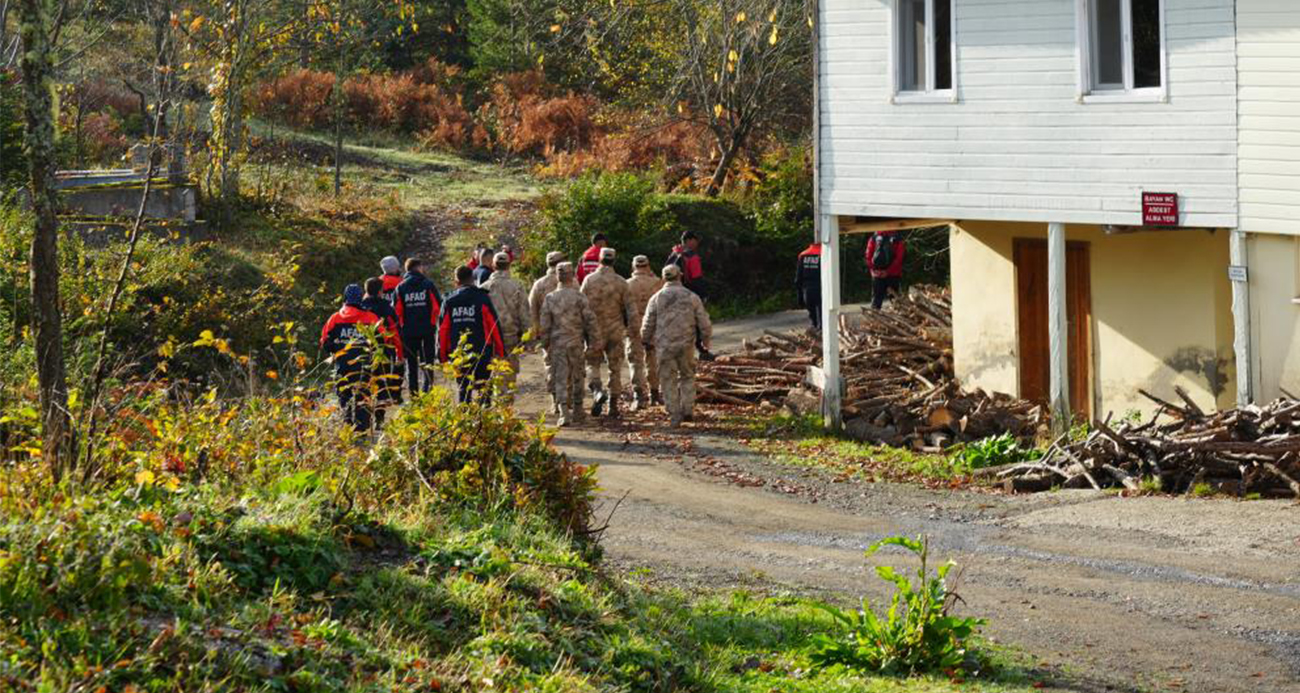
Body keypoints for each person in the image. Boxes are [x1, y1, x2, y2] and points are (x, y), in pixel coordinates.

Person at [641, 265, 712, 427]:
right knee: (687, 376)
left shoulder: (656, 298)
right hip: (686, 344)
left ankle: (674, 413)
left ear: (664, 278)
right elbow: (704, 321)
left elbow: (648, 323)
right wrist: (705, 340)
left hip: (664, 346)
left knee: (668, 378)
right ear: (680, 276)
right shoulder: (691, 296)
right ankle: (688, 409)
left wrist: (645, 340)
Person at [539, 263, 600, 427]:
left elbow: (545, 325)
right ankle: (578, 410)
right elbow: (590, 321)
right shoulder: (579, 297)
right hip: (575, 342)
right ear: (572, 275)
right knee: (577, 375)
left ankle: (564, 412)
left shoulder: (550, 298)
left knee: (560, 376)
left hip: (558, 343)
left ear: (558, 277)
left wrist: (545, 344)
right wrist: (594, 342)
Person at [319, 284, 384, 431]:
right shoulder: (371, 317)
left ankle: (347, 429)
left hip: (342, 366)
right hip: (364, 366)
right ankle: (362, 431)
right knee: (363, 396)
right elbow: (381, 340)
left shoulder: (335, 318)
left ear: (345, 297)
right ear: (361, 297)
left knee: (344, 397)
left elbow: (324, 342)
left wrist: (335, 352)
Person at [438, 265, 505, 404]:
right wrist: (500, 351)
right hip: (482, 350)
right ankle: (484, 420)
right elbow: (494, 326)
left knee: (463, 387)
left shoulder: (449, 300)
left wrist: (442, 354)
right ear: (473, 279)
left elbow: (443, 329)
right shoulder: (482, 298)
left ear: (456, 281)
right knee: (484, 387)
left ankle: (465, 418)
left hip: (459, 351)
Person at [580, 247, 635, 418]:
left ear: (599, 259)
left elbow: (581, 306)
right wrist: (632, 330)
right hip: (615, 330)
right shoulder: (621, 282)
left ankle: (597, 390)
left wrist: (582, 329)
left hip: (594, 331)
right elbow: (630, 310)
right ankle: (613, 406)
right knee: (615, 369)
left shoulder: (589, 280)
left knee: (592, 364)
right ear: (614, 260)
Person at [481, 252, 530, 395]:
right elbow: (524, 314)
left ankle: (498, 407)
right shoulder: (517, 286)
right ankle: (506, 408)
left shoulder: (484, 287)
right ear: (509, 265)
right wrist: (528, 339)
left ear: (493, 265)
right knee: (510, 374)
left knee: (495, 373)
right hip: (511, 337)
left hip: (490, 338)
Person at [361, 277, 405, 425]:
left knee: (364, 383)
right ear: (380, 291)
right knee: (381, 383)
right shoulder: (386, 308)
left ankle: (364, 417)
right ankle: (379, 419)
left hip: (362, 351)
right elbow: (395, 332)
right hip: (383, 352)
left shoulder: (359, 307)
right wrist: (400, 353)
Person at [394, 257, 442, 394]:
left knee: (411, 364)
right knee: (428, 362)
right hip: (427, 330)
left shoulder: (400, 287)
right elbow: (437, 306)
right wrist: (432, 324)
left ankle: (413, 394)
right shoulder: (428, 284)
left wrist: (402, 327)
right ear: (419, 267)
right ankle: (428, 391)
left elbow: (396, 312)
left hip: (408, 331)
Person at [625, 255, 663, 410]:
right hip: (653, 325)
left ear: (634, 267)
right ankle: (655, 393)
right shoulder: (657, 283)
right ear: (648, 266)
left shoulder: (627, 284)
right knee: (652, 359)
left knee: (635, 361)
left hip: (633, 326)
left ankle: (638, 395)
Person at [530, 251, 566, 413]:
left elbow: (532, 310)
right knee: (569, 366)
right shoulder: (571, 282)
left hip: (548, 333)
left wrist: (536, 332)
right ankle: (567, 400)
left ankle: (555, 401)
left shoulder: (539, 284)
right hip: (569, 331)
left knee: (551, 366)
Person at [865, 230, 905, 310]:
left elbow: (868, 256)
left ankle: (874, 320)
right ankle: (899, 320)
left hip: (877, 274)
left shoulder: (874, 237)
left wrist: (873, 270)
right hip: (894, 275)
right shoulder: (897, 238)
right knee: (895, 302)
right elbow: (900, 258)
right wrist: (888, 271)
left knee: (876, 302)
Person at [666, 230, 705, 297]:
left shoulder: (673, 254)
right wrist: (701, 296)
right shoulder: (692, 257)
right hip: (687, 293)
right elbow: (697, 279)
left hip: (670, 292)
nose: (697, 243)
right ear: (689, 240)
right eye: (695, 240)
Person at [795, 242, 822, 331]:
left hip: (807, 289)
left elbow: (798, 277)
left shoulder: (803, 255)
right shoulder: (824, 254)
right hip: (822, 288)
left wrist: (799, 296)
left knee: (812, 315)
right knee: (822, 316)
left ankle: (815, 329)